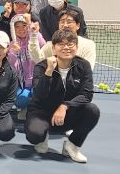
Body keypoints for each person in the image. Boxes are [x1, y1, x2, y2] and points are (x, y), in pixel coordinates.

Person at [27, 29, 100, 163]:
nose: (66, 47)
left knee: (92, 110)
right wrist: (49, 72)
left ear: (76, 47)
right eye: (61, 44)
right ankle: (42, 137)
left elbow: (87, 94)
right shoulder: (41, 67)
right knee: (34, 135)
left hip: (66, 115)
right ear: (53, 48)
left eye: (70, 44)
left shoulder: (84, 66)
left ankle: (72, 146)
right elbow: (38, 96)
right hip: (43, 113)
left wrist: (65, 106)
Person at [8, 14, 44, 111]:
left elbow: (42, 46)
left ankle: (32, 101)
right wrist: (14, 52)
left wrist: (30, 24)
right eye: (17, 26)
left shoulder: (36, 37)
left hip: (36, 80)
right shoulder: (12, 44)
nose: (21, 29)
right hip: (20, 82)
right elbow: (12, 66)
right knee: (20, 101)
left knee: (31, 96)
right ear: (13, 29)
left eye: (24, 25)